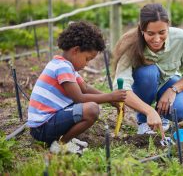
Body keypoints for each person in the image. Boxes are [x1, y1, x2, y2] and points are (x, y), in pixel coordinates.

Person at [27, 21, 126, 153]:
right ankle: (60, 144)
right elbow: (79, 97)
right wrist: (110, 96)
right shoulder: (62, 67)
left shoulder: (65, 65)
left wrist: (111, 100)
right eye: (87, 59)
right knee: (91, 109)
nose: (87, 64)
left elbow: (84, 87)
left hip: (46, 124)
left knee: (85, 106)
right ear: (76, 50)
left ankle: (63, 140)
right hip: (43, 128)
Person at [113, 3, 183, 135]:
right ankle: (144, 121)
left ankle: (162, 118)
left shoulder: (181, 38)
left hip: (169, 81)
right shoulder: (130, 44)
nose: (156, 39)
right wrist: (149, 111)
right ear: (142, 30)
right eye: (150, 33)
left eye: (162, 32)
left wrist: (173, 90)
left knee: (180, 111)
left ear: (168, 27)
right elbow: (121, 88)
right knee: (148, 73)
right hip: (143, 85)